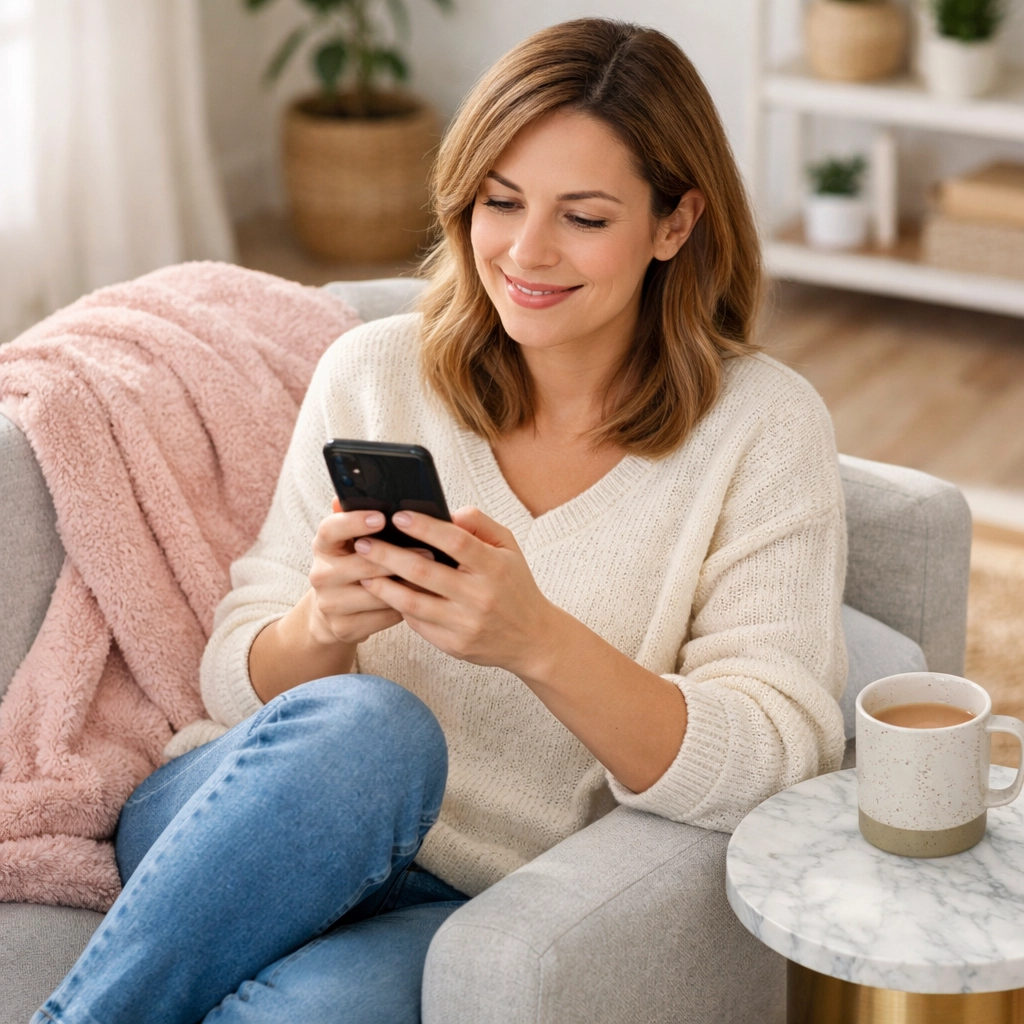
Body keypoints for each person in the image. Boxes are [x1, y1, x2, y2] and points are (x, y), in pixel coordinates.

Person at [34, 17, 846, 1024]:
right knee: (374, 727)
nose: (526, 250)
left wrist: (537, 641)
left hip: (467, 890)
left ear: (674, 224)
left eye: (584, 217)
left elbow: (774, 751)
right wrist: (321, 628)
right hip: (239, 820)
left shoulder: (760, 430)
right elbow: (233, 677)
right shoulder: (374, 371)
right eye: (498, 202)